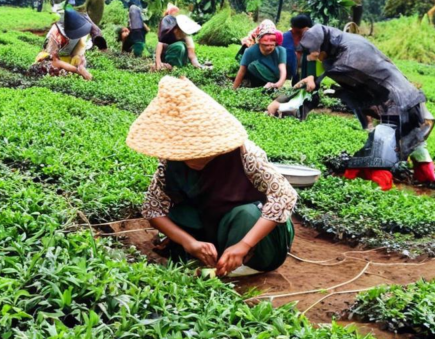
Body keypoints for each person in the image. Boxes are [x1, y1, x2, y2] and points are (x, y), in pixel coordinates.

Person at [127, 76, 297, 277]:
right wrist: (189, 242)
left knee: (247, 214)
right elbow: (153, 208)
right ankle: (201, 254)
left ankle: (244, 264)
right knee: (180, 211)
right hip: (211, 228)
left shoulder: (245, 154)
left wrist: (244, 244)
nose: (189, 157)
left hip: (253, 234)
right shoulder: (170, 162)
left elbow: (285, 196)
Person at [294, 24, 435, 189]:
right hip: (406, 97)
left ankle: (382, 187)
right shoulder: (347, 43)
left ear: (323, 47)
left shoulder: (347, 61)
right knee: (412, 137)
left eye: (317, 55)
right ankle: (426, 173)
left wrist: (317, 84)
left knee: (377, 157)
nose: (318, 59)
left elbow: (354, 94)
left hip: (398, 102)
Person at [233, 21, 288, 109]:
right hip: (257, 78)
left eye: (272, 45)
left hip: (274, 79)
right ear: (259, 41)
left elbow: (283, 70)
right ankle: (253, 85)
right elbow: (242, 71)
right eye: (265, 45)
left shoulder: (281, 51)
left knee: (284, 97)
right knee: (251, 66)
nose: (269, 48)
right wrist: (234, 90)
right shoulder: (250, 51)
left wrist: (277, 84)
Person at [31, 8, 93, 80]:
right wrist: (77, 70)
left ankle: (78, 72)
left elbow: (78, 52)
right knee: (54, 65)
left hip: (67, 59)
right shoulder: (56, 33)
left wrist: (80, 64)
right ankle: (76, 72)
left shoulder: (81, 32)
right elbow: (54, 59)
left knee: (80, 60)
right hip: (53, 59)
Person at [282, 14, 316, 85]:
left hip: (305, 71)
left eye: (299, 33)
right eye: (295, 32)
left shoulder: (312, 39)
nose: (296, 36)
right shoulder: (286, 37)